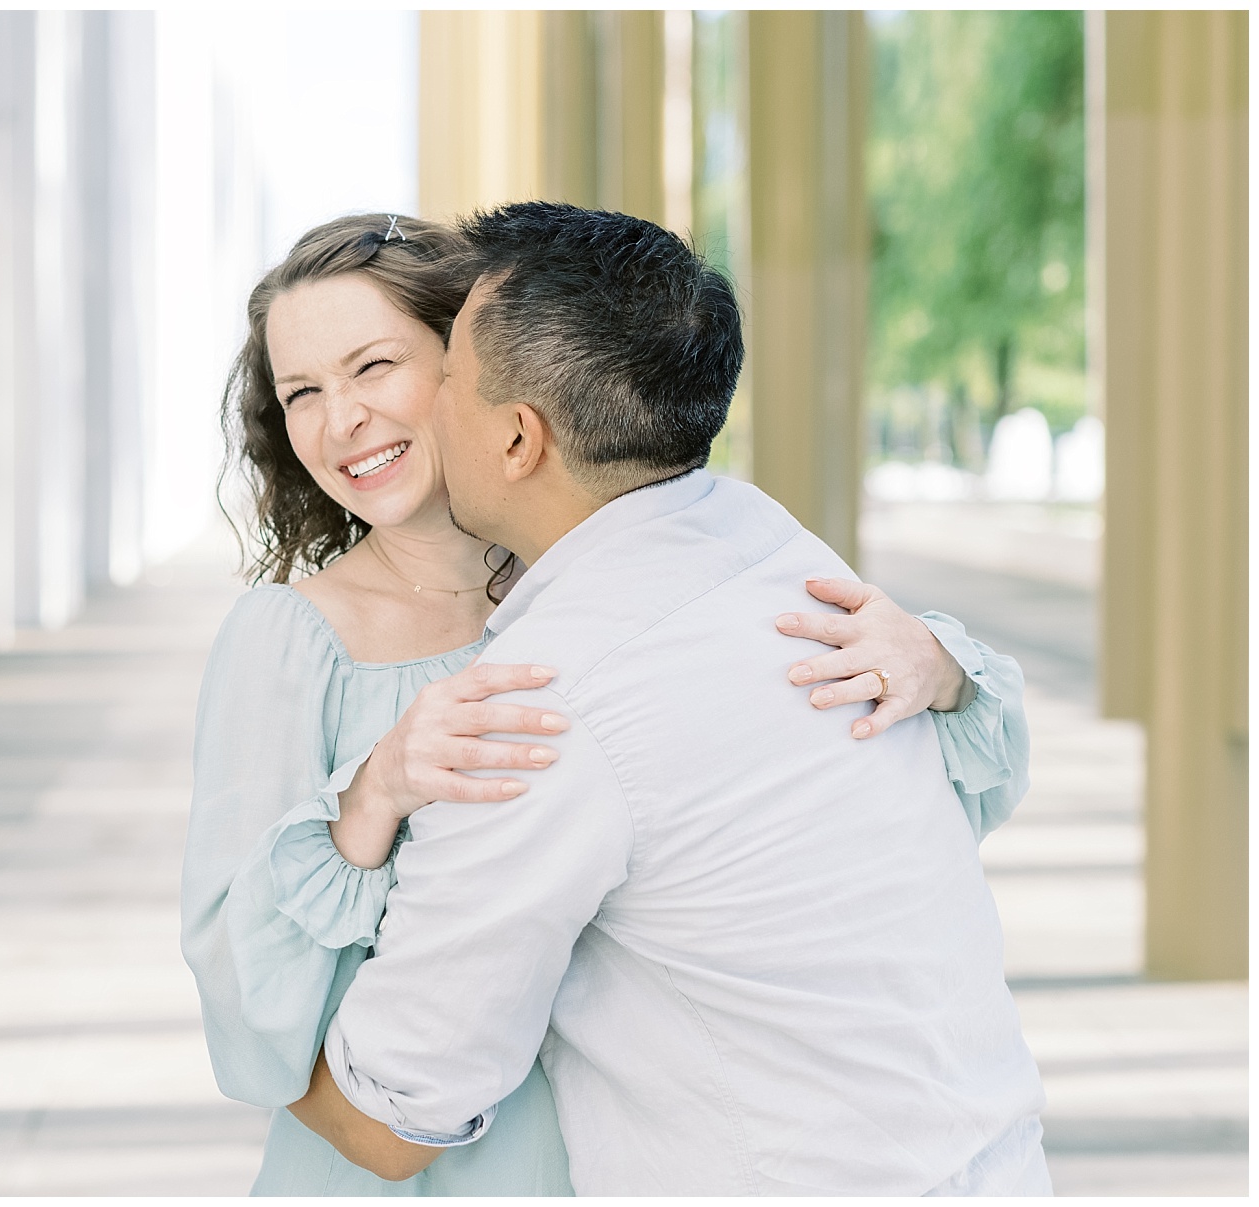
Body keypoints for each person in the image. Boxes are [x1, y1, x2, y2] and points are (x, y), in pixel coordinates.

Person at [181, 214, 1034, 1196]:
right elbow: (261, 1003)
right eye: (302, 393)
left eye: (383, 367)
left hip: (608, 1143)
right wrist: (369, 796)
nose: (344, 420)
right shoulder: (721, 555)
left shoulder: (611, 621)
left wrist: (939, 664)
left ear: (510, 408)